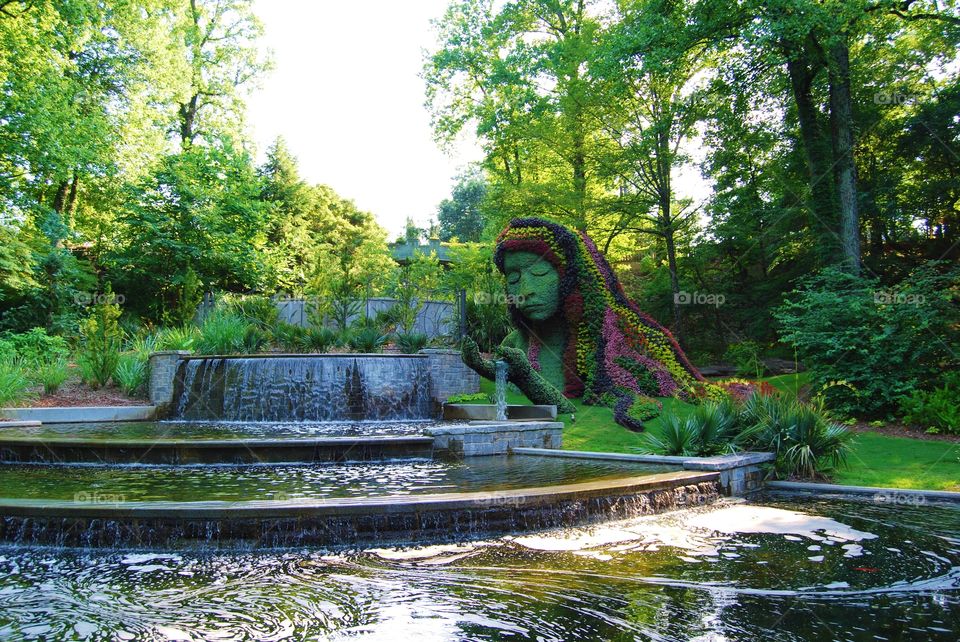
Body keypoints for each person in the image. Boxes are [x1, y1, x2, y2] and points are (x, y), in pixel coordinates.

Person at [462, 217, 724, 430]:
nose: (526, 290)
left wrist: (526, 376)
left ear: (571, 276)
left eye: (540, 272)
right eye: (514, 277)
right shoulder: (513, 343)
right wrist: (487, 368)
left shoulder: (609, 344)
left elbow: (565, 409)